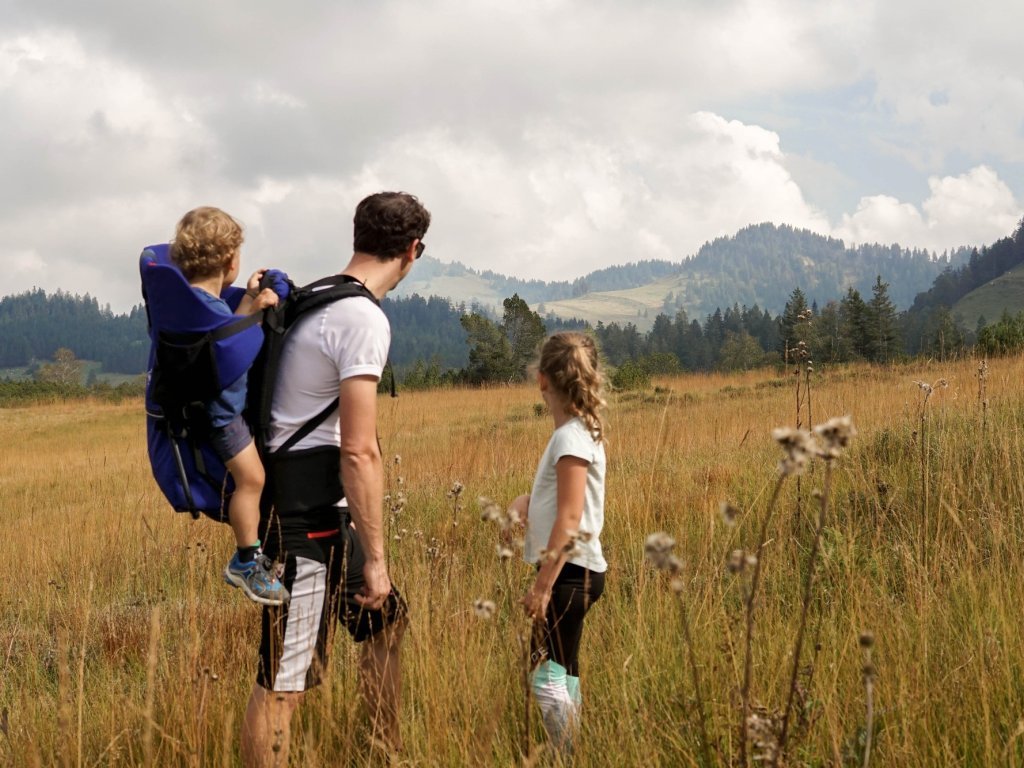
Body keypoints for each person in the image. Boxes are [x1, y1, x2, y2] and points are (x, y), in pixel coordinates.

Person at [240, 191, 430, 767]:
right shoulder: (361, 316)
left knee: (385, 623)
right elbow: (359, 450)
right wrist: (377, 557)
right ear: (412, 250)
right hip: (308, 520)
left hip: (321, 510)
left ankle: (382, 753)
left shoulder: (317, 298)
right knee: (285, 681)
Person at [169, 206, 289, 606]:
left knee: (251, 481)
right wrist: (262, 306)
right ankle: (245, 561)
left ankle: (249, 554)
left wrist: (249, 300)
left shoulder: (196, 305)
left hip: (212, 411)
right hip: (224, 418)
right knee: (252, 481)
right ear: (229, 261)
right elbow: (237, 342)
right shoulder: (213, 312)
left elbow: (224, 336)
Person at [512, 331, 608, 754]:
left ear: (542, 380)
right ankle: (571, 749)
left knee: (543, 673)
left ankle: (565, 755)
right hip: (579, 570)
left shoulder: (570, 437)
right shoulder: (580, 432)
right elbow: (568, 503)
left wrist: (542, 587)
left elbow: (570, 519)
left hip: (567, 574)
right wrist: (527, 503)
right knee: (564, 669)